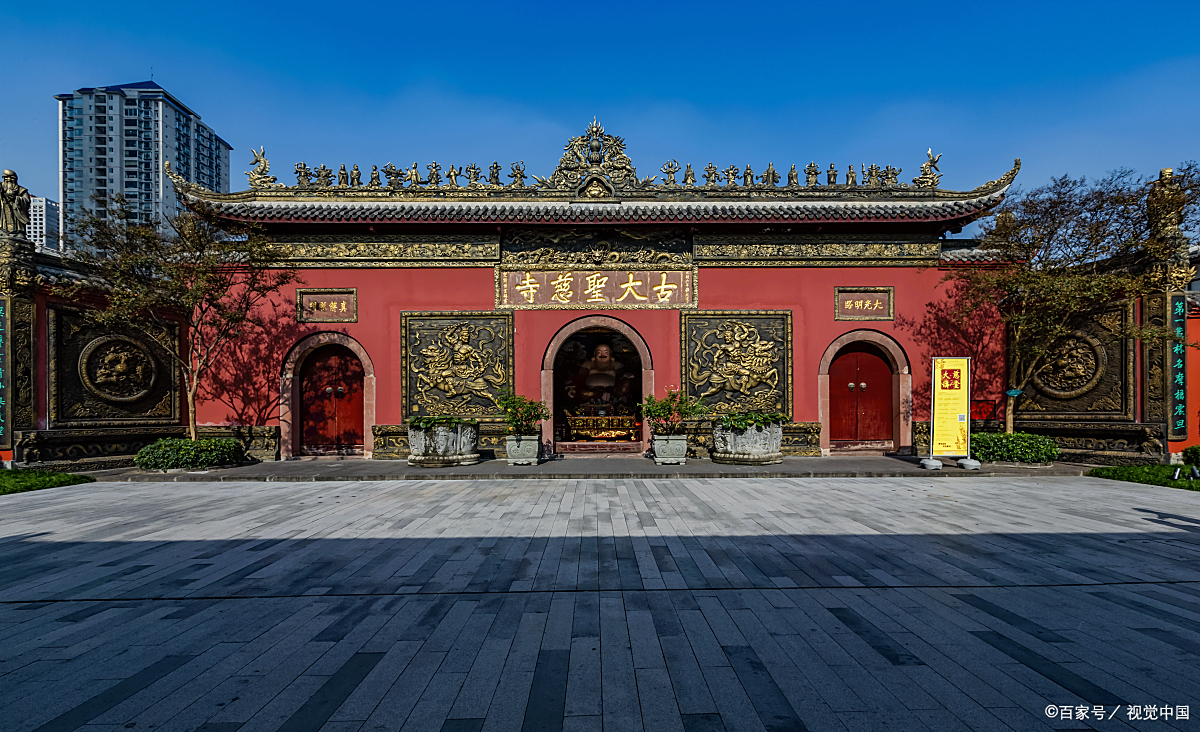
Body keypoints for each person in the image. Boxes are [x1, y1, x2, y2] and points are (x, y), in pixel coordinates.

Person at [0, 169, 31, 237]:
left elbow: (27, 201)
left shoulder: (21, 190)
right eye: (6, 177)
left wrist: (16, 199)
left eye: (11, 178)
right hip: (4, 210)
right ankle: (3, 230)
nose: (9, 179)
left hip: (16, 211)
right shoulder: (1, 187)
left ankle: (18, 232)